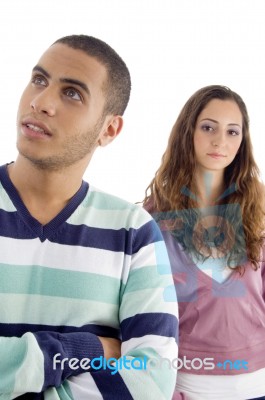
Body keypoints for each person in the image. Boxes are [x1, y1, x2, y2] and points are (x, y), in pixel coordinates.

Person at [0, 35, 178, 399]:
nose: (41, 102)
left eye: (72, 94)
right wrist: (79, 350)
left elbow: (152, 384)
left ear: (109, 130)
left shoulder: (135, 233)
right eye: (39, 80)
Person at [143, 85, 265, 400]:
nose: (220, 141)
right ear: (189, 131)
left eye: (232, 132)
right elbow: (142, 314)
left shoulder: (259, 209)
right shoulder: (150, 218)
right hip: (187, 386)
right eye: (208, 127)